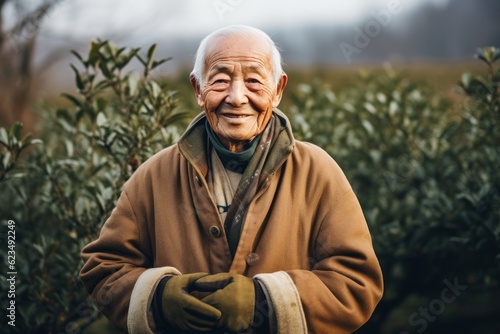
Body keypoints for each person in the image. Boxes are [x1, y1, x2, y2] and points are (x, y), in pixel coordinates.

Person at [80, 25, 383, 334]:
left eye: (254, 81)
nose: (237, 98)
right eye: (221, 80)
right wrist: (157, 298)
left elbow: (356, 281)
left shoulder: (317, 172)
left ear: (278, 90)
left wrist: (265, 302)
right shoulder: (155, 175)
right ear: (198, 90)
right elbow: (103, 268)